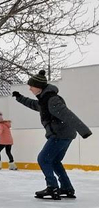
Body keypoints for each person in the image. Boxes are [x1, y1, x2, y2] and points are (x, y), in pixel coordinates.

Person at [13, 70, 92, 199]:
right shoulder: (45, 99)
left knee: (43, 159)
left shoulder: (51, 100)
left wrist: (84, 131)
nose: (30, 89)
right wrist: (20, 98)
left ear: (38, 87)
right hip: (64, 134)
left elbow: (68, 115)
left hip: (59, 134)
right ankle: (66, 188)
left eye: (31, 86)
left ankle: (52, 187)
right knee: (55, 161)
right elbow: (35, 105)